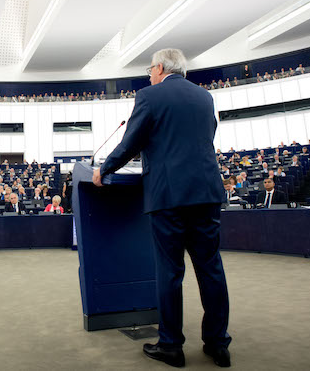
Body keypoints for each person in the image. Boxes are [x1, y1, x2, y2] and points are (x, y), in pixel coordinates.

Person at [91, 48, 231, 368]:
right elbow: (205, 135)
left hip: (169, 195)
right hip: (207, 192)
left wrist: (105, 169)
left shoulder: (149, 96)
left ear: (159, 67)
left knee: (170, 271)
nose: (148, 74)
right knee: (211, 269)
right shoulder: (204, 97)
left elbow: (131, 143)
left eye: (149, 69)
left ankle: (171, 345)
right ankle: (218, 343)